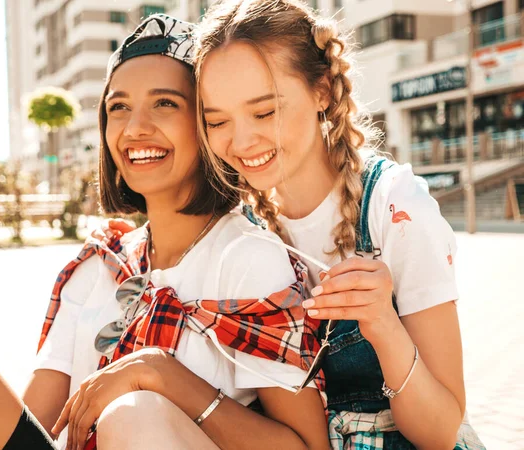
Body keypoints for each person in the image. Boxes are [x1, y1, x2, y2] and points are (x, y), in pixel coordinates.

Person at [0, 13, 329, 450]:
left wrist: (162, 375)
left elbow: (307, 446)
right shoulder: (101, 262)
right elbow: (37, 426)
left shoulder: (248, 259)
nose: (135, 128)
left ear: (208, 124)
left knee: (135, 414)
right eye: (118, 107)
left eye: (165, 103)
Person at [102, 1, 485, 448]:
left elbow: (439, 432)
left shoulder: (394, 208)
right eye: (217, 121)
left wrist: (382, 323)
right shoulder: (243, 227)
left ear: (321, 89)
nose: (243, 141)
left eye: (265, 113)